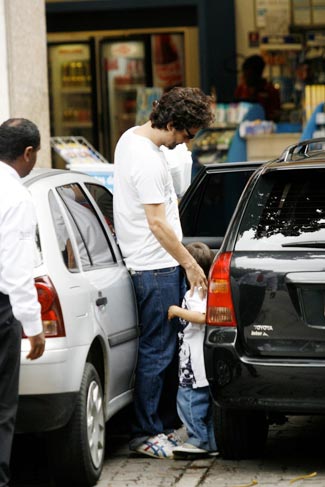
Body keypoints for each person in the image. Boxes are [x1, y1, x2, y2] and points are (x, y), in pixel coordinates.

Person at [113, 87, 215, 459]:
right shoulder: (149, 160)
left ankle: (162, 425)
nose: (186, 142)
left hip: (156, 262)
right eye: (186, 135)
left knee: (163, 348)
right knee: (157, 351)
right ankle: (146, 433)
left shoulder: (131, 139)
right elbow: (157, 223)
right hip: (154, 266)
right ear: (171, 123)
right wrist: (189, 263)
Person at [0, 118, 46, 486]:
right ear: (28, 153)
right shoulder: (15, 195)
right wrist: (34, 327)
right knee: (2, 405)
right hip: (1, 309)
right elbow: (16, 270)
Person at [168, 242, 218, 457]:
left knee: (188, 400)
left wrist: (177, 311)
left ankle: (198, 440)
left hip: (194, 364)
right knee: (204, 404)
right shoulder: (207, 289)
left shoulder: (197, 292)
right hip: (199, 361)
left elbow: (202, 317)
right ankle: (212, 442)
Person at [234, 54, 281, 122]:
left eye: (249, 74)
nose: (245, 77)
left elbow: (276, 115)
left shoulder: (270, 90)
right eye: (244, 73)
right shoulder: (240, 90)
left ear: (258, 73)